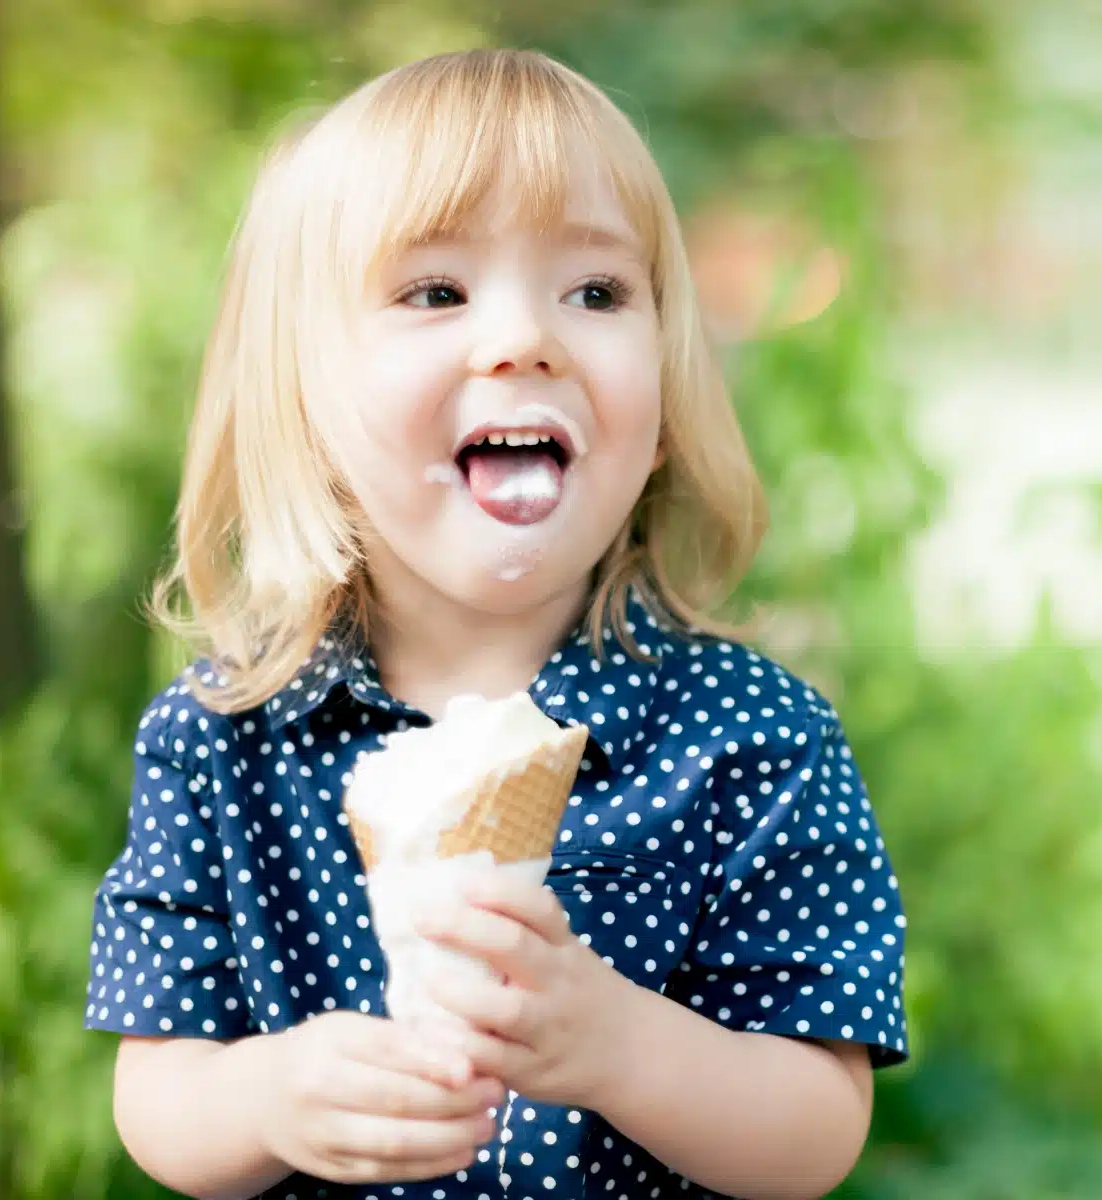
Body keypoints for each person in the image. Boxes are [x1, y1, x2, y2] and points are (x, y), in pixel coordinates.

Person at [83, 47, 908, 1200]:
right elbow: (156, 1088)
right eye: (436, 292)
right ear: (306, 399)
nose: (527, 340)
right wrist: (270, 1094)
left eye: (596, 293)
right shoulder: (223, 736)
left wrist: (623, 1047)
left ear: (662, 405)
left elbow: (819, 1127)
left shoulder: (754, 739)